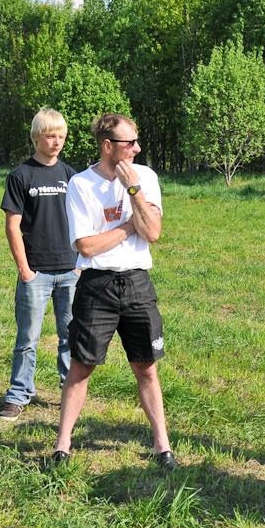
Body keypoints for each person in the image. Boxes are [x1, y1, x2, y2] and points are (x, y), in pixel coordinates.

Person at [52, 114, 175, 472]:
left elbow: (152, 233)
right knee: (81, 367)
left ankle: (162, 446)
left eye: (137, 142)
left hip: (137, 281)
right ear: (108, 146)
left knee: (147, 368)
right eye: (129, 143)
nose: (137, 148)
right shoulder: (80, 184)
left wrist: (134, 189)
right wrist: (127, 226)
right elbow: (87, 247)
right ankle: (62, 446)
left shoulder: (145, 177)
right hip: (96, 286)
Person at [0, 108, 81, 422]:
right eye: (50, 135)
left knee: (70, 338)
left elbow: (83, 221)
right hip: (37, 273)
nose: (56, 141)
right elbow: (12, 225)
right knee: (27, 340)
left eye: (61, 136)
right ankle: (18, 396)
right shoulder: (21, 175)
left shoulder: (71, 175)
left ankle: (69, 393)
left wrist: (80, 266)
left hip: (71, 271)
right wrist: (25, 270)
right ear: (36, 137)